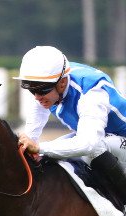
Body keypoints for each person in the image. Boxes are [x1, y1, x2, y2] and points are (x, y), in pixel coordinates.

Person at [14, 46, 126, 201]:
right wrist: (30, 147)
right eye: (32, 91)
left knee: (93, 149)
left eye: (41, 91)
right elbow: (32, 137)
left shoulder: (92, 94)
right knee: (44, 155)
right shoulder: (49, 82)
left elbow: (88, 144)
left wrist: (39, 147)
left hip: (116, 139)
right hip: (105, 137)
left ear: (62, 83)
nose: (36, 97)